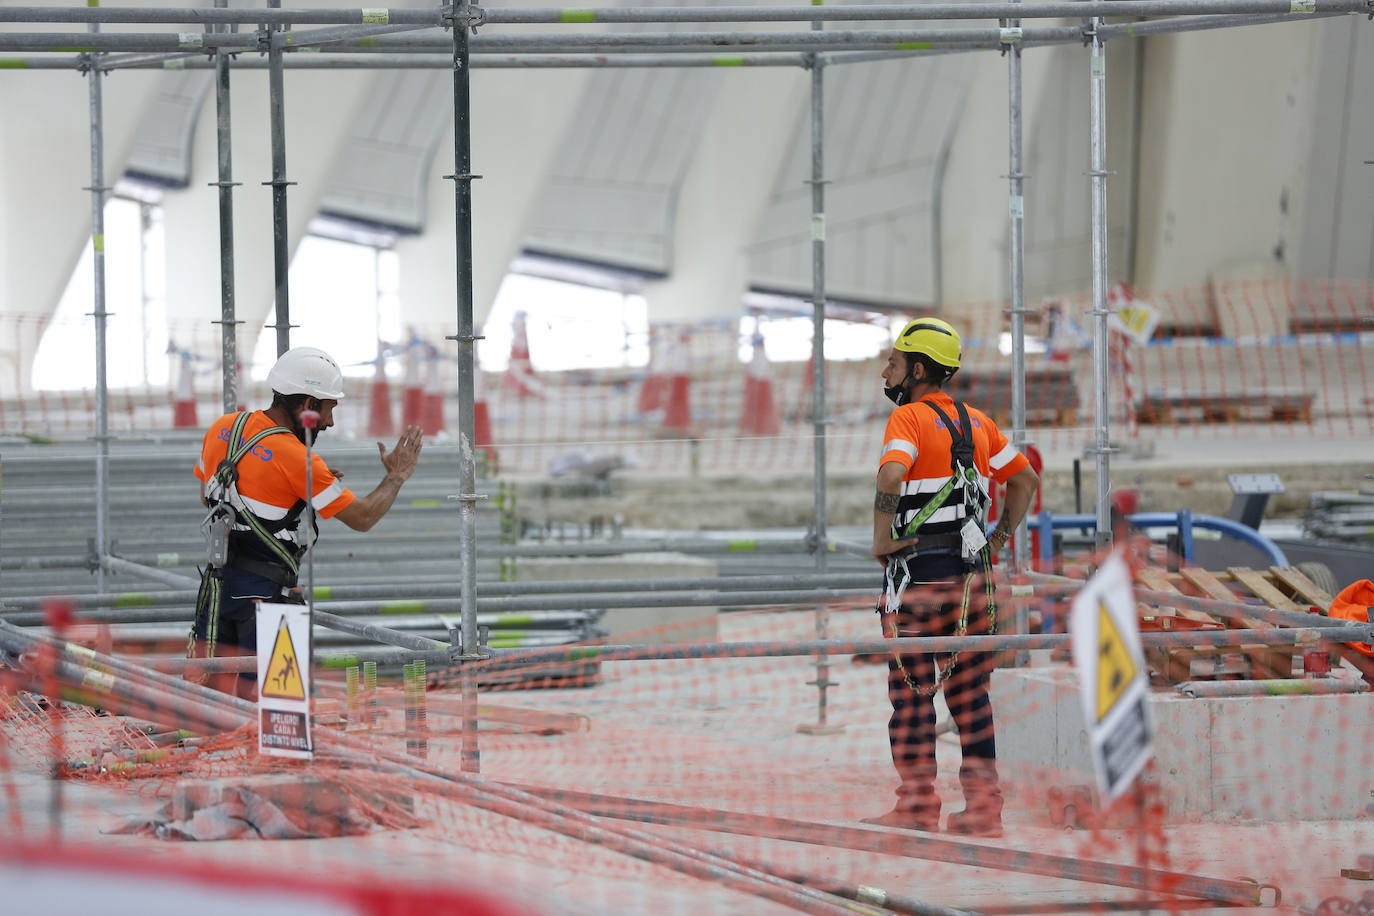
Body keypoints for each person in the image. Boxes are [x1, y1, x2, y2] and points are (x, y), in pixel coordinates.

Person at [864, 317, 1040, 838]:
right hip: (975, 584)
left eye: (894, 363)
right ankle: (984, 810)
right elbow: (1025, 478)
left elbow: (892, 474)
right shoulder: (977, 423)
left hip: (922, 579)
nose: (885, 372)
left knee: (912, 696)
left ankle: (917, 807)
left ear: (918, 369)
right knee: (970, 698)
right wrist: (1000, 539)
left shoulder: (910, 420)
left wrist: (880, 538)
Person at [190, 346, 424, 699]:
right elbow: (362, 517)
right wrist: (396, 476)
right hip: (267, 601)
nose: (329, 422)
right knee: (275, 712)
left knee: (208, 704)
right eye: (329, 408)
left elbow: (209, 496)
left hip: (217, 593)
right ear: (308, 405)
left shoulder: (224, 427)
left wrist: (286, 488)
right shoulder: (299, 459)